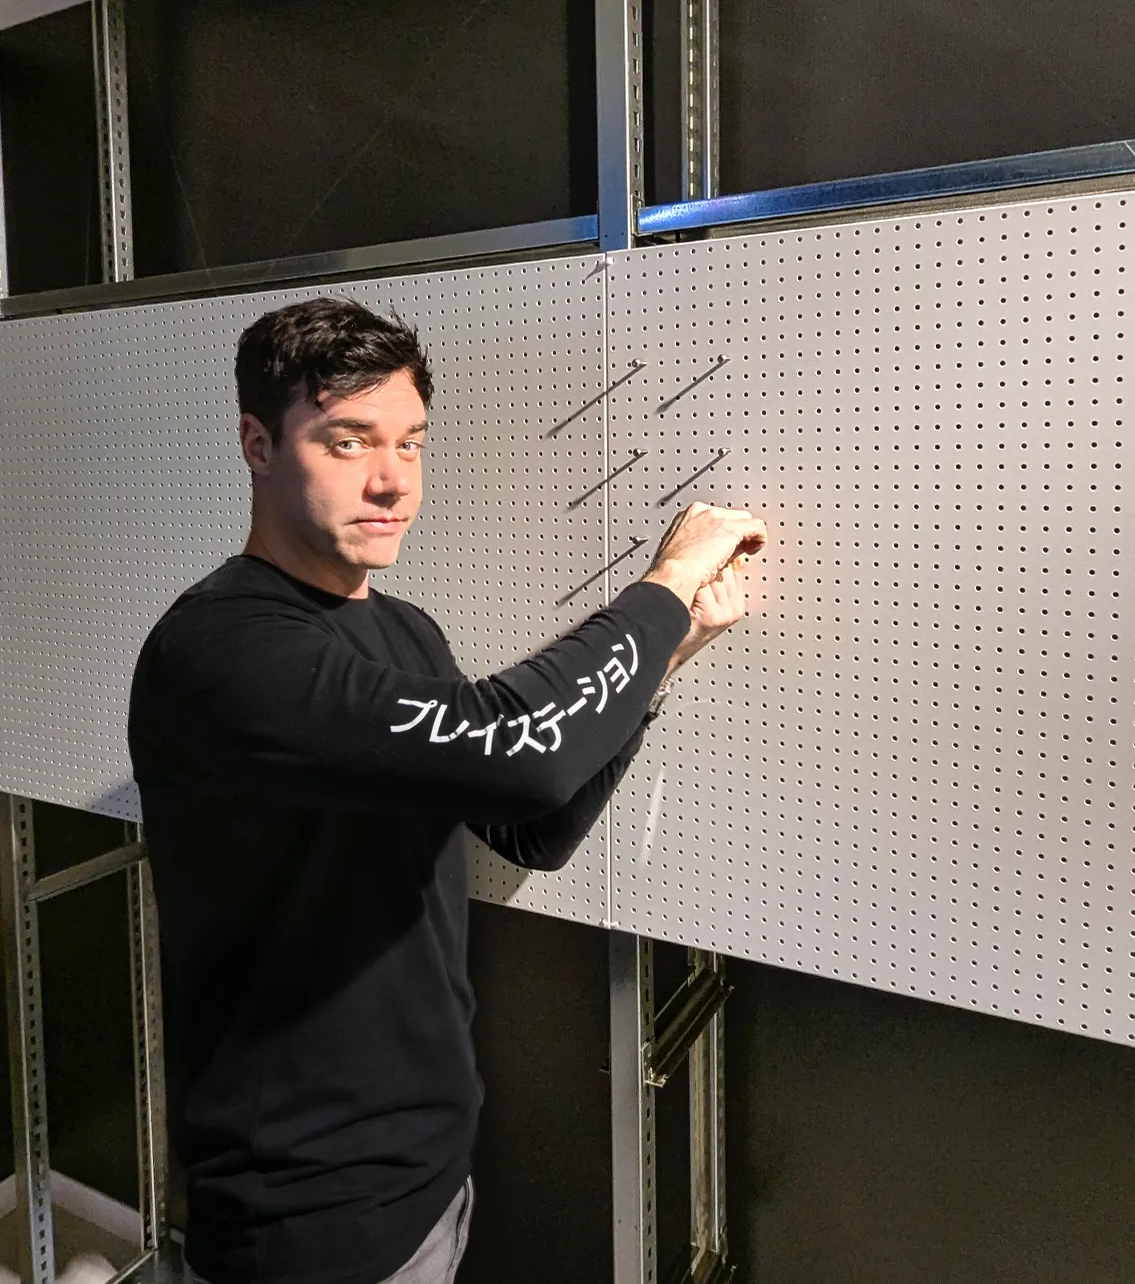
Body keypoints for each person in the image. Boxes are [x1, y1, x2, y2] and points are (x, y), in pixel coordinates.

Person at [129, 297, 767, 1284]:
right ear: (258, 443)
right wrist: (663, 584)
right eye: (347, 442)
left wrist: (666, 656)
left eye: (410, 443)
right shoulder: (221, 651)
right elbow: (523, 750)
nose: (392, 480)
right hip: (302, 1211)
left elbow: (532, 820)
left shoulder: (405, 629)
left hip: (430, 1170)